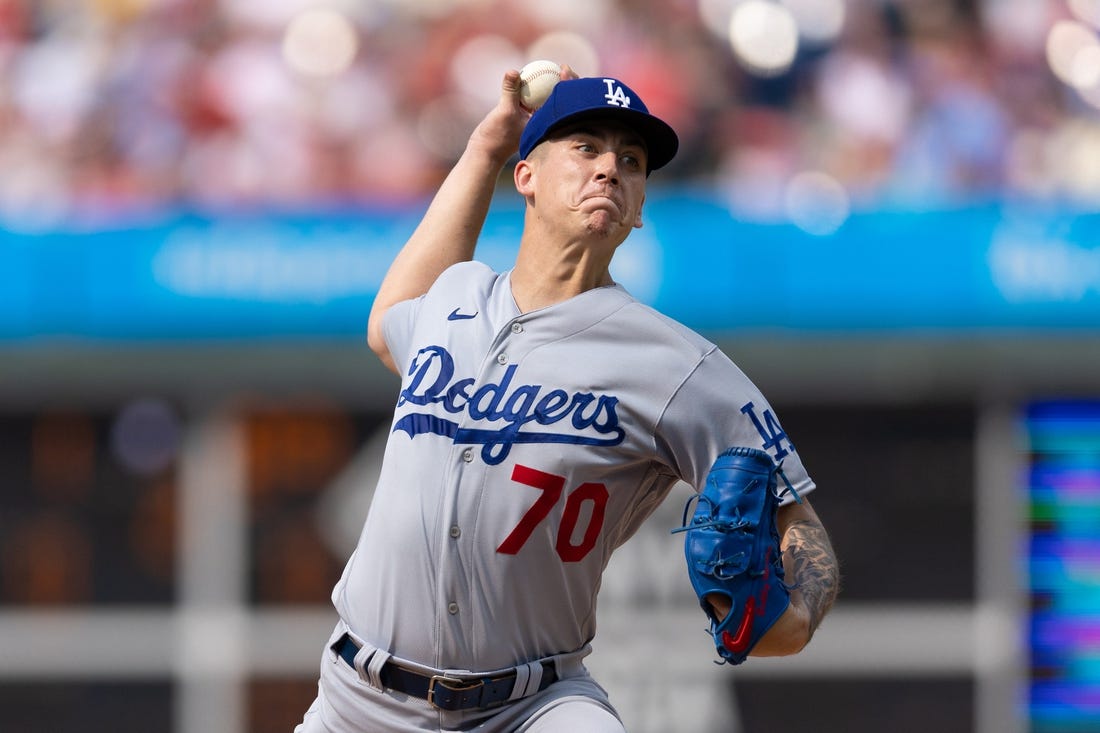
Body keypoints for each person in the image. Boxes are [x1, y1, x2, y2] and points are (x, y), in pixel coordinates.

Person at [296, 67, 839, 733]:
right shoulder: (456, 297)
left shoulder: (678, 365)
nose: (610, 168)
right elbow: (389, 323)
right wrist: (484, 149)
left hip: (531, 706)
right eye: (586, 148)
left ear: (639, 207)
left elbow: (802, 525)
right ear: (527, 176)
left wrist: (793, 618)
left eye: (631, 161)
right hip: (360, 700)